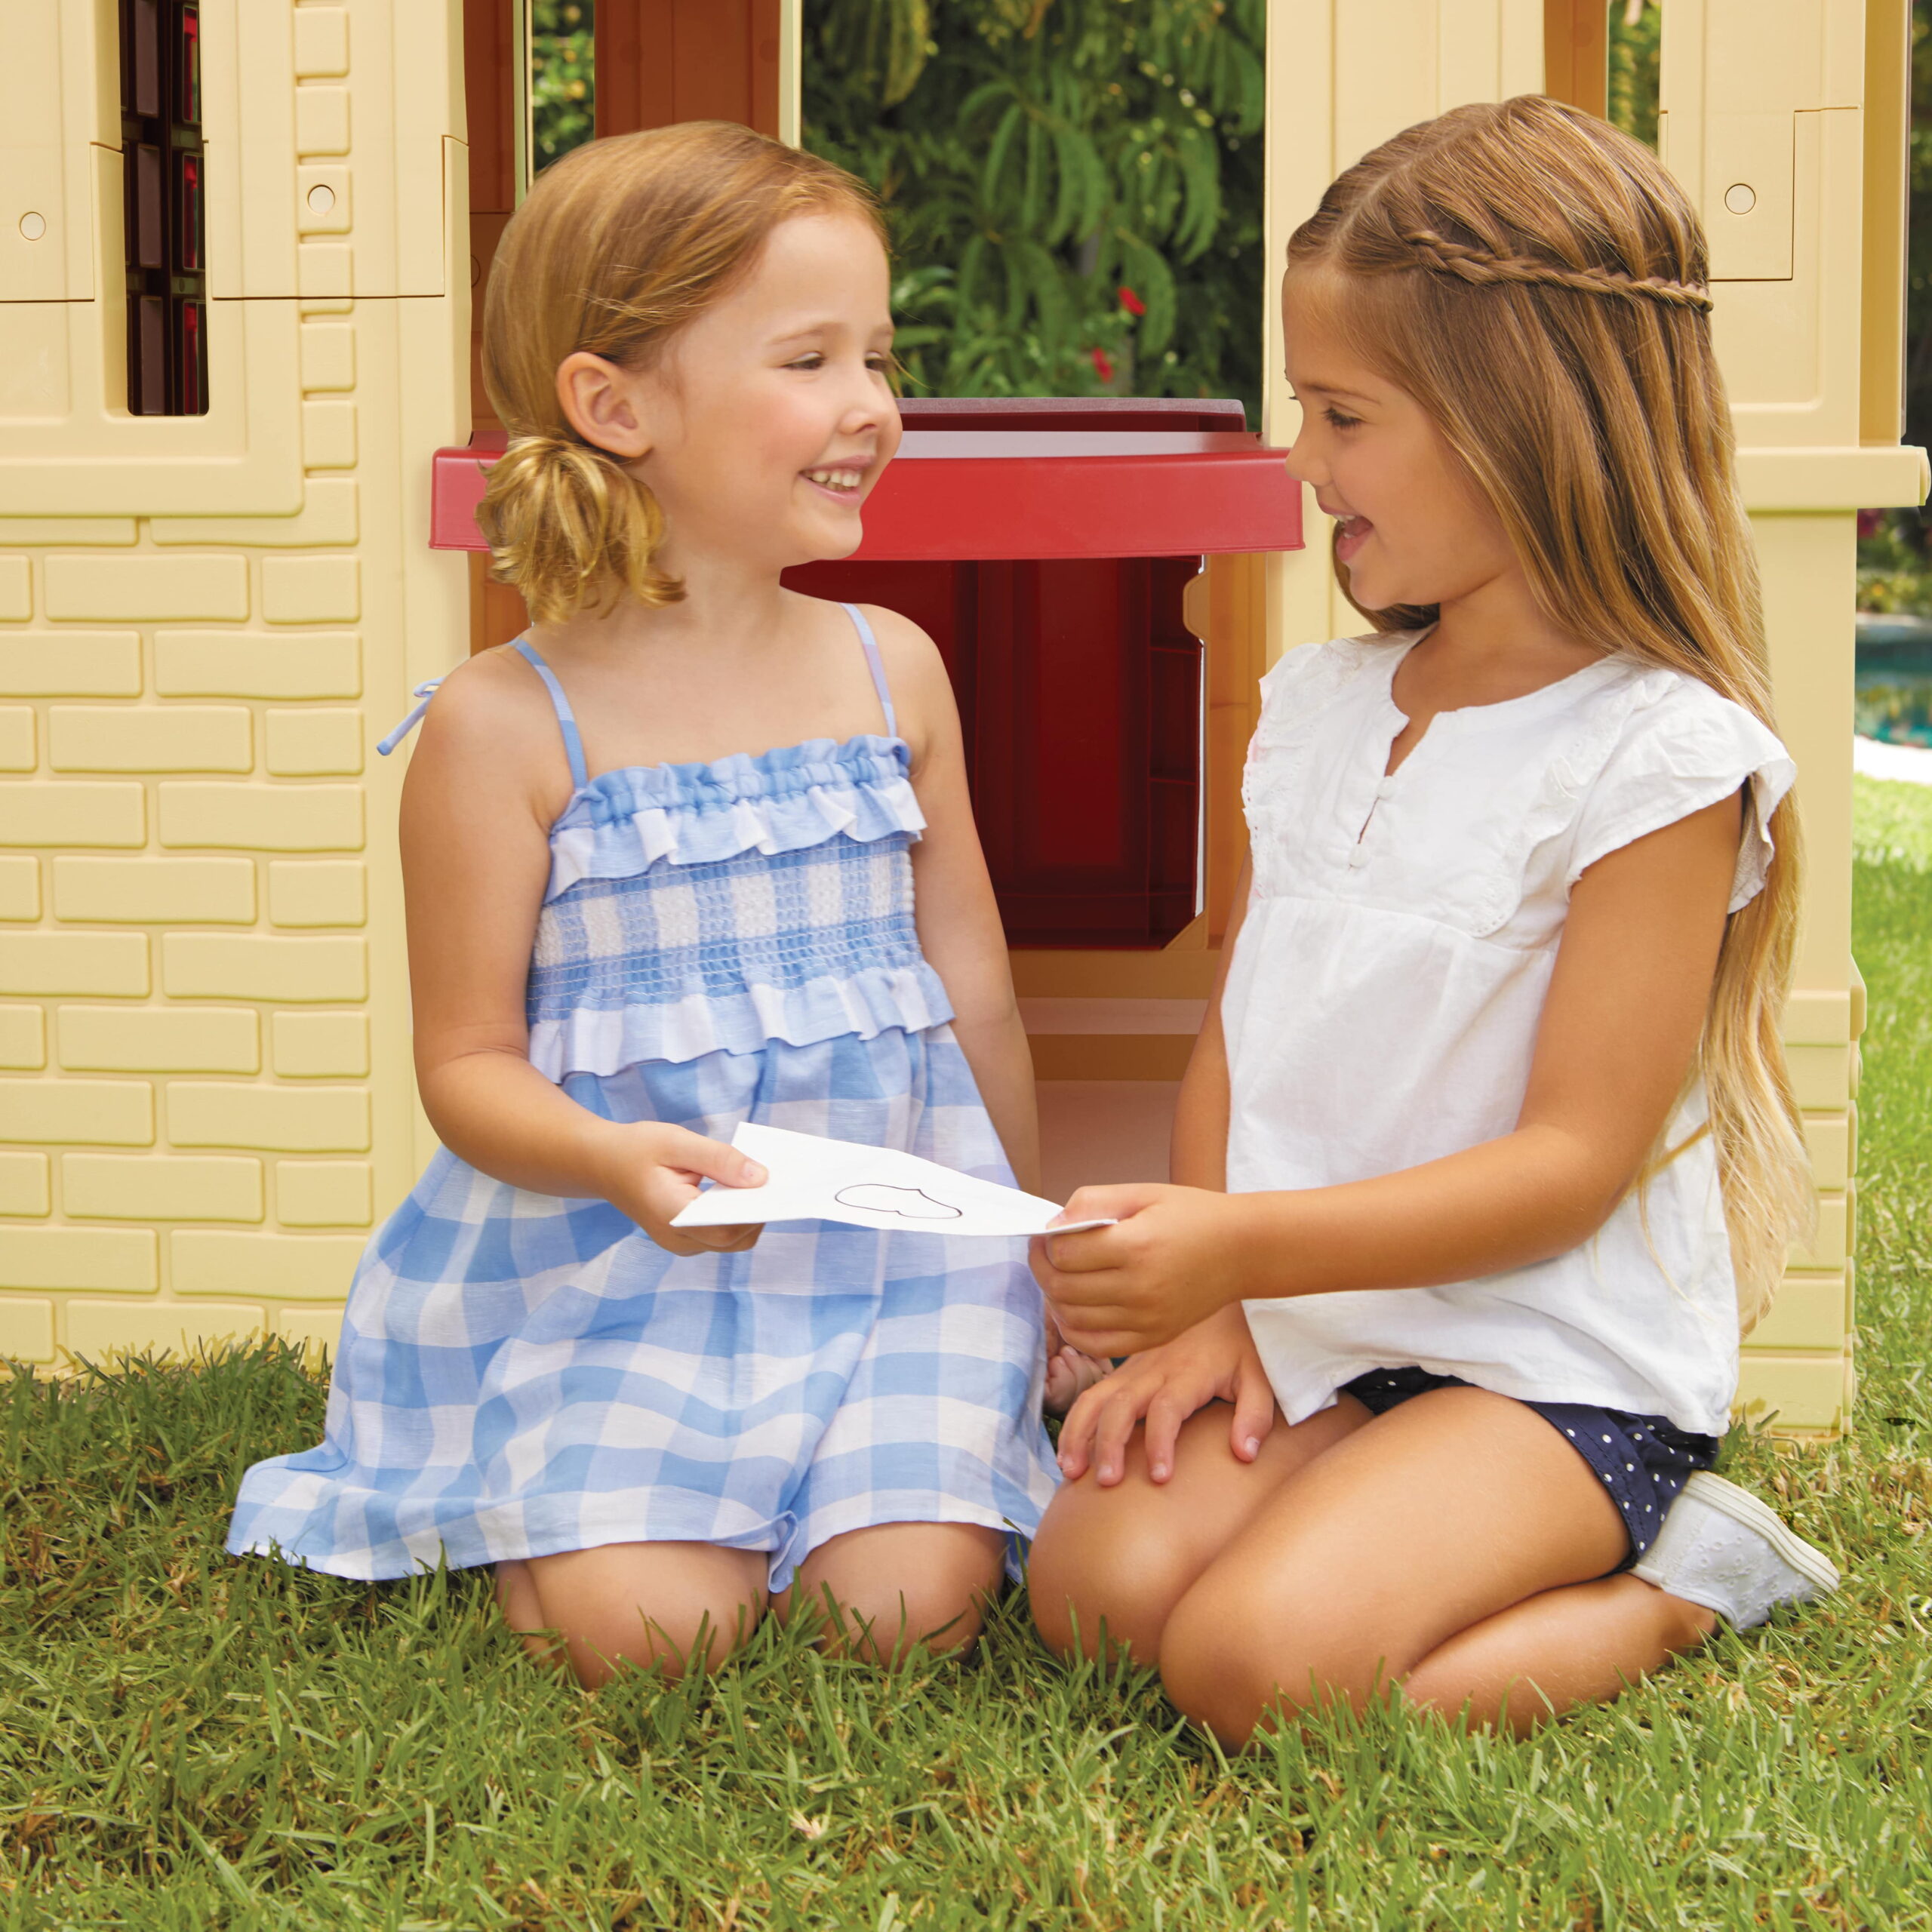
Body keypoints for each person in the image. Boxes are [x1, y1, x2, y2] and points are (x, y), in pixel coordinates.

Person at [1026, 97, 1840, 1744]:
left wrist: (1241, 1252)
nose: (1305, 465)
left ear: (1516, 423)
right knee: (1091, 1593)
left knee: (1250, 1669)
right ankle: (1357, 1490)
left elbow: (1562, 1168)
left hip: (1546, 1367)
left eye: (1341, 414)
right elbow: (1239, 1041)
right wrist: (1217, 1299)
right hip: (1328, 1318)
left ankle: (1684, 1575)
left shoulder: (1655, 756)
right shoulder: (1312, 706)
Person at [226, 122, 1070, 1685]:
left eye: (879, 358)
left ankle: (836, 1490)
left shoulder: (894, 669)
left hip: (891, 1275)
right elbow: (466, 1064)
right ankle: (561, 1518)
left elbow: (976, 993)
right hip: (622, 1274)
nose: (871, 409)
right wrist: (612, 1158)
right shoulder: (504, 725)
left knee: (902, 1621)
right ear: (614, 405)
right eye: (808, 359)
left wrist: (1030, 1245)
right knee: (652, 1636)